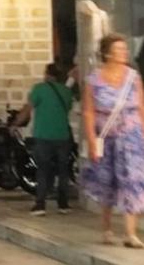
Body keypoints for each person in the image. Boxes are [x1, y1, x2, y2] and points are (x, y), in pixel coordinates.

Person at [82, 34, 144, 248]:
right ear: (107, 53)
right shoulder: (94, 80)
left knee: (133, 180)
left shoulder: (133, 78)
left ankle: (130, 233)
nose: (124, 53)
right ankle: (107, 229)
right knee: (106, 181)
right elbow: (88, 112)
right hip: (106, 137)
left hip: (131, 136)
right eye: (119, 49)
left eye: (125, 49)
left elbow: (141, 107)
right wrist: (91, 139)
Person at [12, 63, 74, 216]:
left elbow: (27, 109)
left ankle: (40, 204)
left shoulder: (39, 89)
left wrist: (15, 124)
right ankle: (63, 203)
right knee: (63, 170)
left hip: (43, 135)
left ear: (47, 74)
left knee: (43, 170)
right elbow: (67, 108)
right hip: (62, 135)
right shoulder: (66, 91)